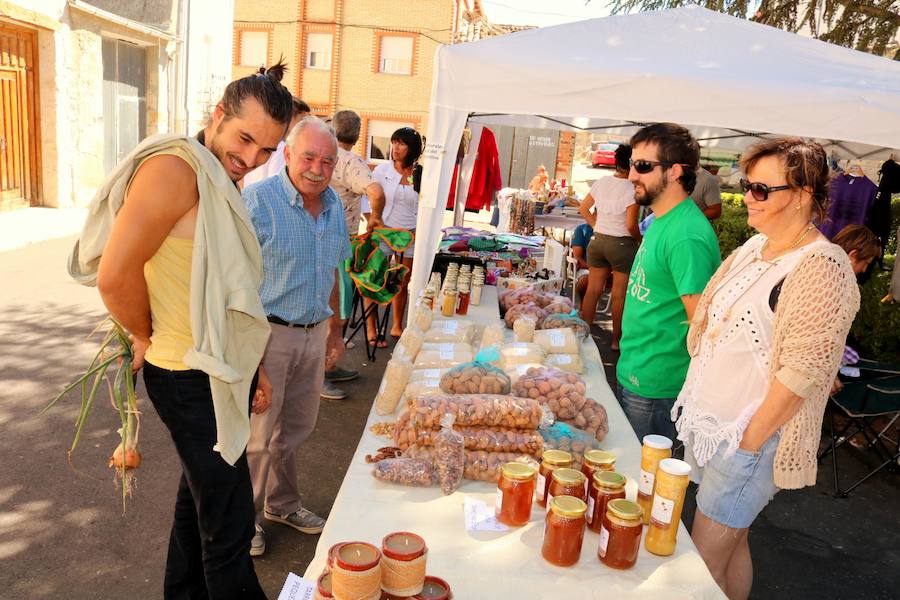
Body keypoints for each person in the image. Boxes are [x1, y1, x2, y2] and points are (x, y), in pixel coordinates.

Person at [85, 63, 295, 599]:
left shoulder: (215, 174)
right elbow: (114, 274)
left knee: (197, 504)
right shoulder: (177, 170)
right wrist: (143, 335)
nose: (251, 159)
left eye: (268, 151)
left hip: (221, 368)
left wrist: (257, 367)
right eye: (245, 138)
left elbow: (229, 292)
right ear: (218, 115)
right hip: (186, 374)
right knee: (227, 528)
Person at [672, 138, 860, 600]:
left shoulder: (821, 266)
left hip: (748, 440)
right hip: (716, 428)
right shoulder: (758, 247)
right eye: (746, 185)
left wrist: (748, 444)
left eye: (760, 189)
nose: (746, 196)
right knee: (732, 549)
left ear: (800, 194)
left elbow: (802, 374)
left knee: (698, 572)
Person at [242, 117, 351, 557]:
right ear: (287, 154)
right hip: (267, 334)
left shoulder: (333, 206)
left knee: (296, 429)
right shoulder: (257, 202)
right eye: (308, 157)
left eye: (327, 161)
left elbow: (335, 271)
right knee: (257, 436)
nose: (317, 168)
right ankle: (241, 521)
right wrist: (253, 356)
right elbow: (237, 285)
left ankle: (283, 504)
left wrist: (335, 332)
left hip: (313, 332)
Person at [616, 123, 721, 442]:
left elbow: (701, 324)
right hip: (637, 372)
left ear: (676, 171)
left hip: (656, 388)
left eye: (643, 166)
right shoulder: (662, 220)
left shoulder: (686, 234)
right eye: (633, 164)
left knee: (640, 485)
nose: (632, 175)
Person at [318, 110, 386, 399]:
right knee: (335, 311)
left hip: (321, 237)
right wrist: (375, 219)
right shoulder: (350, 161)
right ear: (358, 133)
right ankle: (320, 374)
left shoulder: (324, 154)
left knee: (330, 307)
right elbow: (377, 192)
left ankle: (328, 367)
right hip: (339, 241)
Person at [578, 144, 640, 348]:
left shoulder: (602, 182)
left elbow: (583, 208)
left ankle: (584, 335)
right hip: (622, 244)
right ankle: (616, 341)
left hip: (598, 241)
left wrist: (596, 225)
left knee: (593, 290)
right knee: (619, 295)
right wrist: (639, 238)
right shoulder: (633, 188)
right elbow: (631, 224)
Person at [366, 126, 424, 343]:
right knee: (375, 280)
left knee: (402, 281)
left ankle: (397, 324)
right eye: (394, 142)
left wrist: (420, 231)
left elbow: (425, 205)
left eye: (401, 143)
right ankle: (371, 327)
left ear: (413, 149)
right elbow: (368, 197)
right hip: (384, 233)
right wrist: (372, 219)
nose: (395, 148)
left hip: (409, 235)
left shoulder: (421, 173)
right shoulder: (382, 171)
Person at [240, 96, 310, 188]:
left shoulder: (264, 144)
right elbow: (277, 183)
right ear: (290, 118)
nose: (305, 125)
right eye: (302, 119)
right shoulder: (281, 149)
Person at [569, 221, 593, 304]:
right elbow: (578, 259)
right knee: (585, 281)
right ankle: (584, 307)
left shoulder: (613, 231)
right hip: (587, 268)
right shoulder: (582, 230)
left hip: (609, 269)